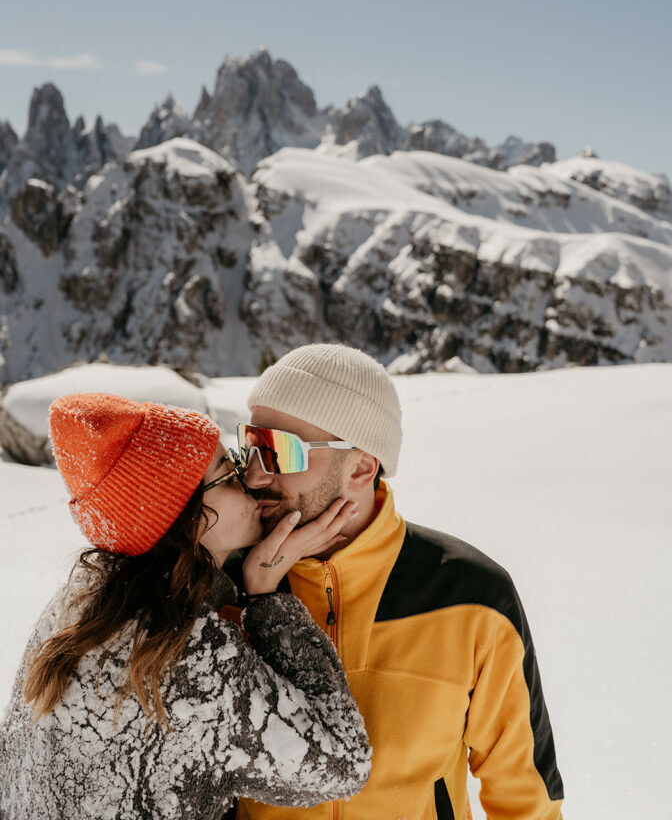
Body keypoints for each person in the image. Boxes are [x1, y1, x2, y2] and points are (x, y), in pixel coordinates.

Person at [228, 344, 564, 820]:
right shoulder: (223, 588)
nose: (256, 475)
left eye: (281, 450)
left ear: (362, 468)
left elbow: (525, 799)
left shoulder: (473, 598)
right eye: (251, 445)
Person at [0, 393, 371, 820]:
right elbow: (342, 761)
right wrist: (267, 598)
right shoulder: (188, 654)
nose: (250, 479)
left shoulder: (76, 608)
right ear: (184, 514)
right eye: (228, 475)